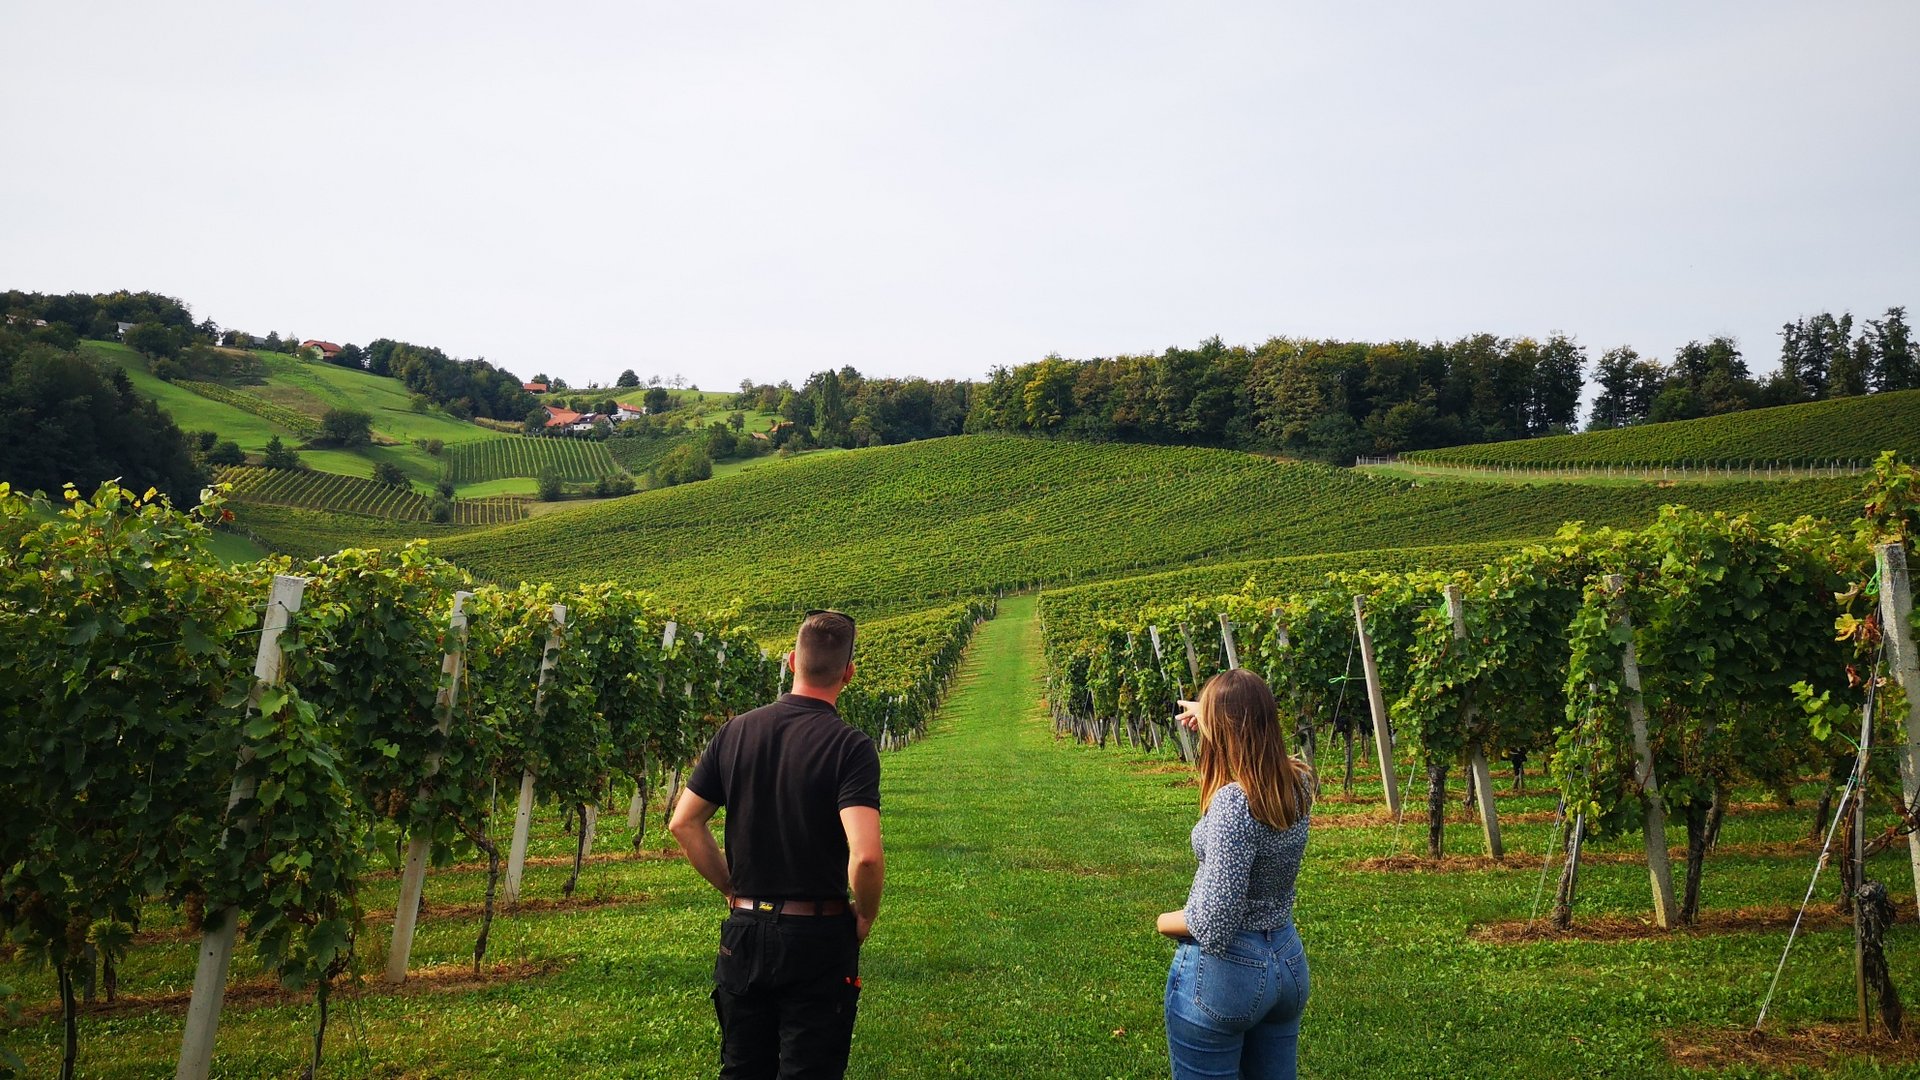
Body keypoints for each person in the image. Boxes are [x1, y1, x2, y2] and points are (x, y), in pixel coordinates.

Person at [669, 609, 885, 1080]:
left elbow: (684, 824)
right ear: (848, 673)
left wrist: (733, 888)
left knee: (742, 1070)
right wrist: (865, 914)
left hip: (744, 934)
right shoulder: (850, 747)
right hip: (817, 938)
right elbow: (865, 855)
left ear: (790, 662)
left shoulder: (735, 732)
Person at [1155, 668, 1313, 1080]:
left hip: (1228, 974)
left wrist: (1162, 922)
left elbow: (1214, 922)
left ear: (1222, 729)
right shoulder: (1297, 781)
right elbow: (1248, 738)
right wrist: (1209, 711)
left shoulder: (1233, 804)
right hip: (1286, 958)